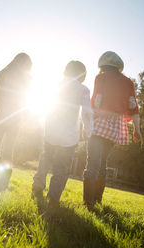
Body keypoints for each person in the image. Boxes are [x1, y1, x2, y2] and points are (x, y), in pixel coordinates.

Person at [83, 51, 142, 209]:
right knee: (102, 164)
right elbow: (133, 106)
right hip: (116, 126)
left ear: (102, 65)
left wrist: (87, 123)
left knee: (92, 163)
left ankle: (88, 203)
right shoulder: (128, 82)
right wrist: (137, 130)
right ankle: (97, 200)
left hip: (100, 121)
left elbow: (95, 101)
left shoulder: (100, 78)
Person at [32, 60, 93, 205]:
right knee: (62, 168)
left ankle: (38, 185)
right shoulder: (83, 89)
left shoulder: (56, 84)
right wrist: (87, 131)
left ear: (66, 71)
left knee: (45, 159)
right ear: (82, 75)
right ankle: (53, 197)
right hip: (69, 137)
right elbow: (87, 113)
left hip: (51, 132)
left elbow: (47, 106)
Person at [0, 53, 32, 188]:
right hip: (14, 118)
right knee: (9, 152)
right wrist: (25, 119)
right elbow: (26, 101)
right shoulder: (27, 78)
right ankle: (2, 185)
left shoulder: (4, 73)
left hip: (1, 115)